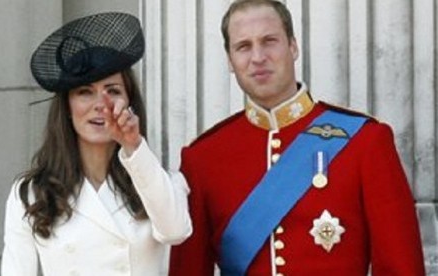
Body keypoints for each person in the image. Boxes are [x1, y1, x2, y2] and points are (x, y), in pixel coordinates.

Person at [169, 0, 425, 275]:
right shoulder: (203, 159)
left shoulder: (365, 142)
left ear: (293, 46)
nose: (258, 57)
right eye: (243, 46)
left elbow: (402, 267)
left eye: (269, 41)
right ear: (230, 60)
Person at [1, 12, 192, 276]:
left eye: (113, 90)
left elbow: (176, 231)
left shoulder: (163, 181)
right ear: (67, 107)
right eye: (85, 92)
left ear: (130, 102)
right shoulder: (30, 193)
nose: (100, 104)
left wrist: (134, 147)